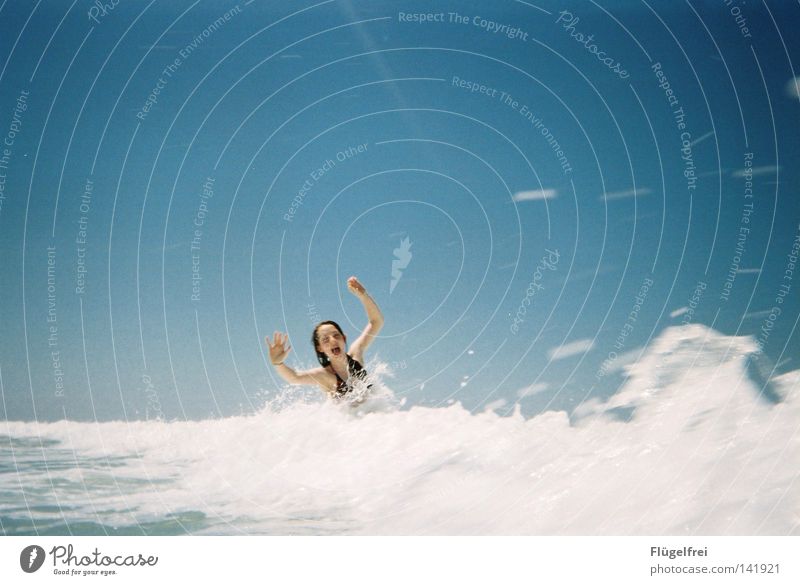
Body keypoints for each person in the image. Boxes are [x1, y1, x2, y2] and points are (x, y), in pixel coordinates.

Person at [267, 276, 384, 400]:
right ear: (320, 348)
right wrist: (277, 363)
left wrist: (363, 295)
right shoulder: (325, 375)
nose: (333, 340)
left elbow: (377, 321)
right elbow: (295, 377)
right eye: (325, 340)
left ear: (344, 339)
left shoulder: (356, 356)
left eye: (336, 335)